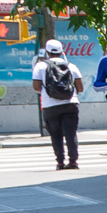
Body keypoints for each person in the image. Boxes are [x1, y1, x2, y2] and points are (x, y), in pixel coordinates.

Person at [32, 37, 86, 169]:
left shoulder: (40, 66)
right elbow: (80, 88)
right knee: (70, 133)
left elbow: (36, 86)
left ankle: (60, 162)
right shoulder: (71, 66)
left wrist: (49, 93)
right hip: (70, 104)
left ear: (47, 52)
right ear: (62, 51)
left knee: (55, 134)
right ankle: (73, 161)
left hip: (50, 105)